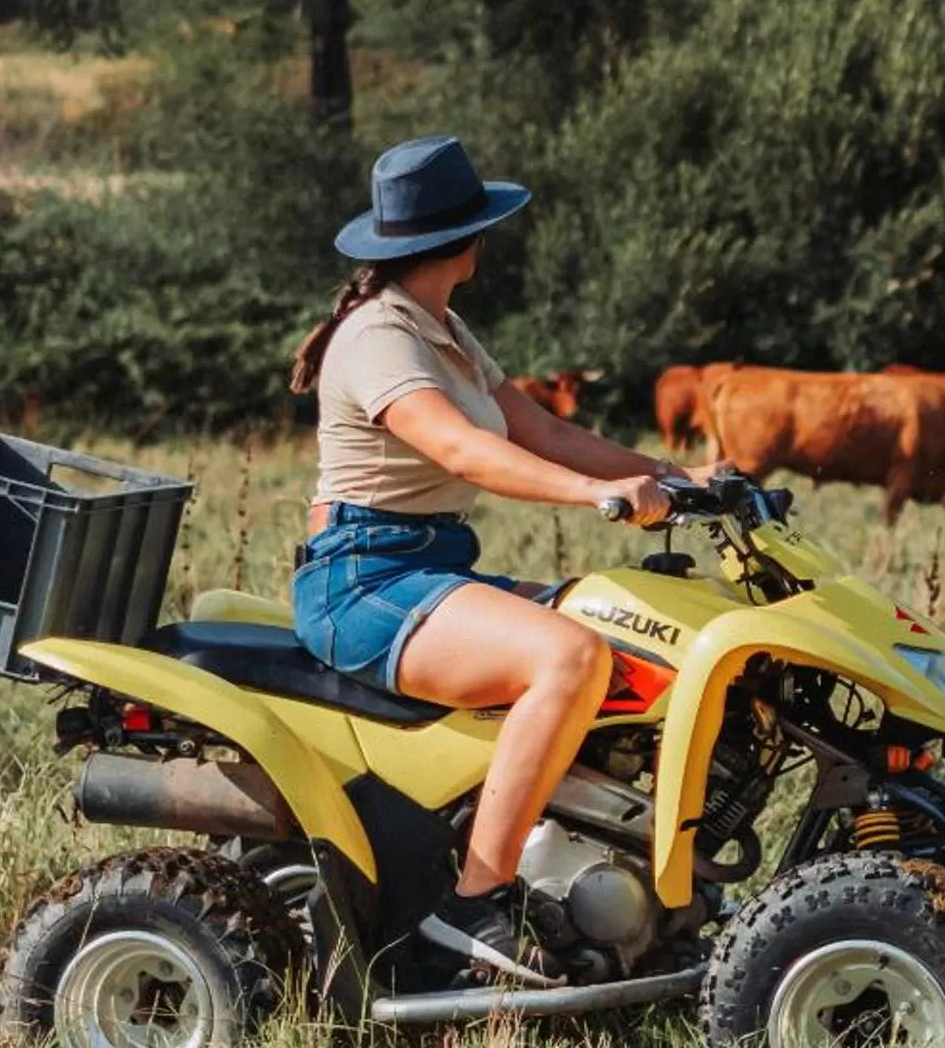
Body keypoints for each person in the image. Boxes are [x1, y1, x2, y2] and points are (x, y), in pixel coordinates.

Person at [289, 134, 676, 982]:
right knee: (569, 655)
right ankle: (469, 908)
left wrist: (673, 474)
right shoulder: (376, 337)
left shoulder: (443, 326)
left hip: (426, 566)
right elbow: (462, 450)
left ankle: (602, 877)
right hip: (366, 579)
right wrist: (589, 495)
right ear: (466, 239)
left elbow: (543, 429)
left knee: (626, 623)